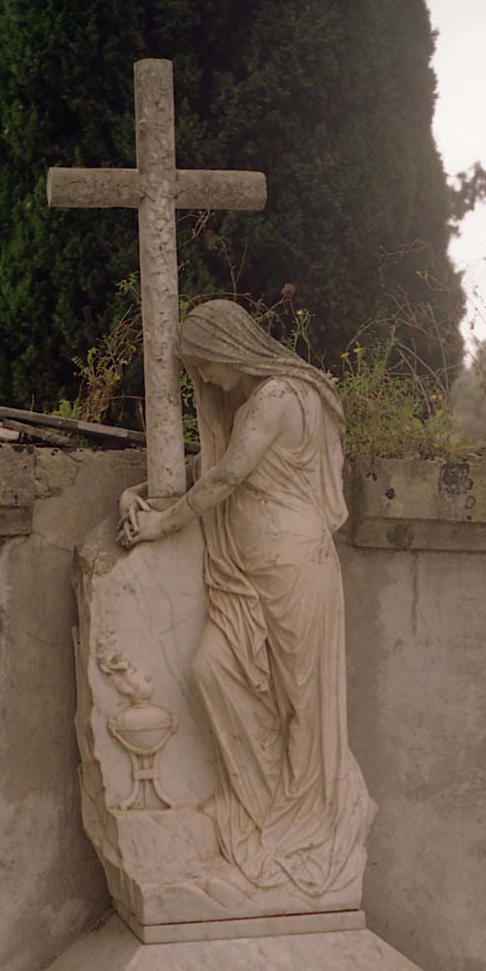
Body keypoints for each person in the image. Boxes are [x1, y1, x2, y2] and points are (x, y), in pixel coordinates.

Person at [118, 299, 375, 901]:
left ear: (228, 347)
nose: (203, 378)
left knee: (302, 703)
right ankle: (265, 808)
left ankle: (307, 825)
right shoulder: (260, 403)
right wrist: (138, 491)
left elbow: (228, 476)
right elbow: (215, 465)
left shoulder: (282, 397)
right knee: (213, 668)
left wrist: (162, 525)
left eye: (204, 364)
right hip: (249, 576)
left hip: (292, 570)